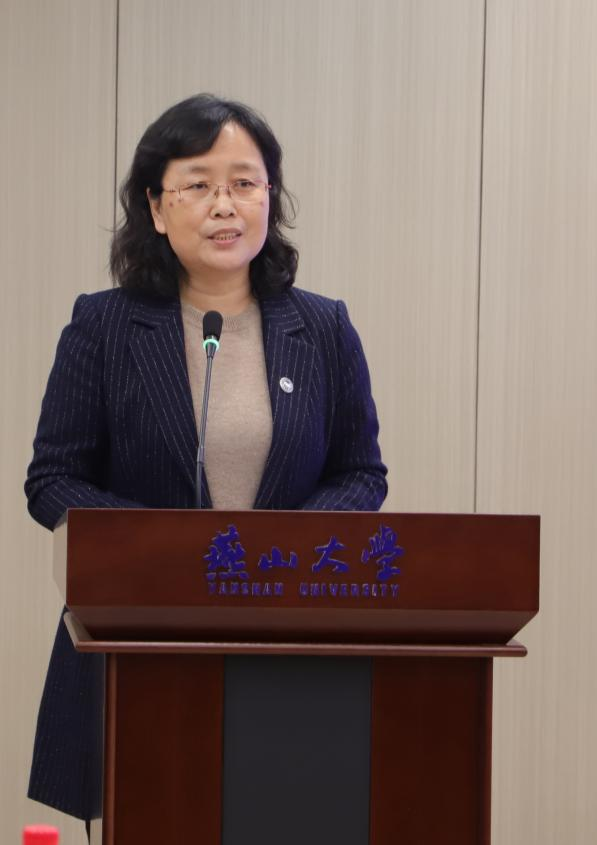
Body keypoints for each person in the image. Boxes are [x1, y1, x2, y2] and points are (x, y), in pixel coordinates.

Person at [23, 93, 388, 823]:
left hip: (287, 637)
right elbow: (53, 480)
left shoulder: (322, 327)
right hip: (139, 642)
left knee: (285, 822)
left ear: (269, 197)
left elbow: (359, 474)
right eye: (198, 184)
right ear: (157, 208)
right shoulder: (104, 326)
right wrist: (164, 545)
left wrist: (280, 548)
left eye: (244, 182)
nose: (225, 204)